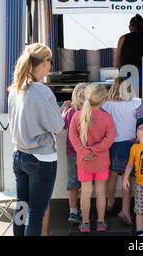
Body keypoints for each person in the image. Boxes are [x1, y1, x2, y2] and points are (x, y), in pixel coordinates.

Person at [8, 43, 68, 236]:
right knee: (35, 214)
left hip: (19, 156)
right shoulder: (42, 91)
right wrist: (64, 110)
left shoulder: (15, 89)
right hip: (41, 160)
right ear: (44, 63)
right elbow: (58, 126)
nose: (50, 66)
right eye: (50, 61)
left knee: (22, 208)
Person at [68, 84, 115, 233]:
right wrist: (95, 150)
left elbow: (72, 136)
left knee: (86, 192)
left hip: (84, 161)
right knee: (101, 192)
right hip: (101, 161)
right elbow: (110, 139)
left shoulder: (77, 115)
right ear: (103, 101)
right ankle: (101, 222)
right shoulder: (107, 117)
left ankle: (86, 223)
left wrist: (83, 151)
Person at [102, 78, 142, 226]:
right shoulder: (135, 103)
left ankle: (110, 202)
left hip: (113, 144)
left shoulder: (107, 105)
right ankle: (125, 210)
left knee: (112, 175)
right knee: (127, 178)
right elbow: (141, 120)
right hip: (129, 144)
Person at [63, 82, 88, 224]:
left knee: (72, 183)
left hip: (72, 153)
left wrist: (65, 108)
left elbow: (62, 124)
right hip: (86, 153)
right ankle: (86, 213)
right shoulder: (90, 111)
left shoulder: (71, 112)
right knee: (85, 184)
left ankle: (73, 211)